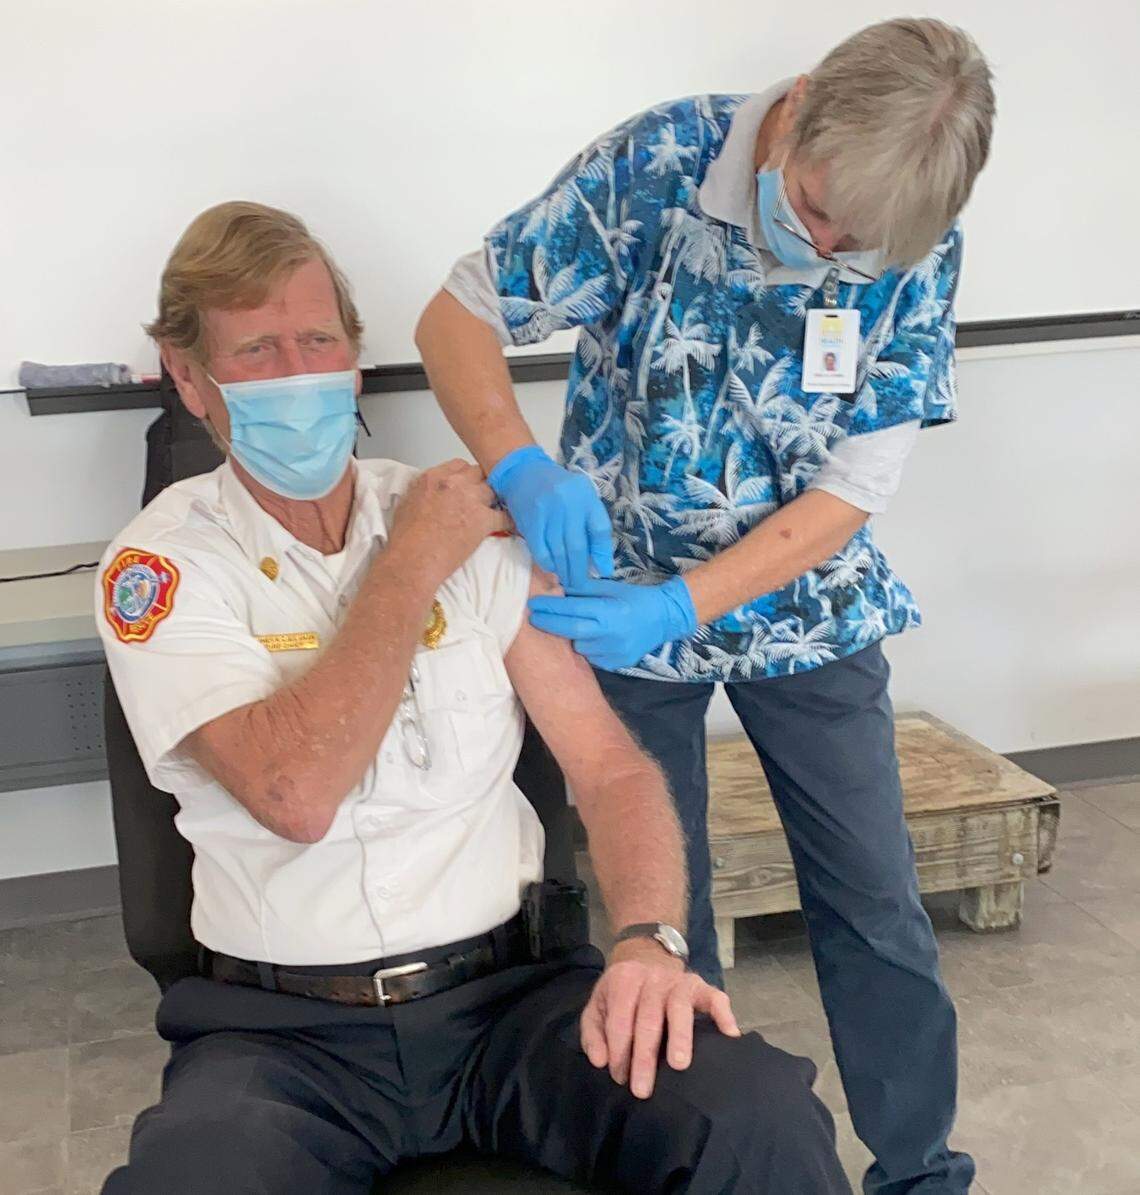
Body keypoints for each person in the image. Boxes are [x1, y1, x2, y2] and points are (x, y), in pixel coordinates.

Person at [96, 201, 850, 1194]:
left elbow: (611, 765)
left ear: (356, 359)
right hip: (283, 1041)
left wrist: (650, 944)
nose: (299, 373)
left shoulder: (467, 521)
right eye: (259, 350)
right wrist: (408, 563)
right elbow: (297, 791)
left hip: (514, 1003)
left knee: (752, 1118)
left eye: (320, 340)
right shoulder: (161, 564)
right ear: (188, 376)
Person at [416, 16, 994, 1195]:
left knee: (876, 901)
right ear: (802, 113)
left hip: (807, 606)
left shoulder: (919, 236)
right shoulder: (658, 165)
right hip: (616, 593)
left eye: (856, 245)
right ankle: (713, 1154)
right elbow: (457, 312)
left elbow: (852, 489)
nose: (827, 247)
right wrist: (520, 462)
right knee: (664, 913)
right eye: (816, 211)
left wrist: (692, 601)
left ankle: (920, 1168)